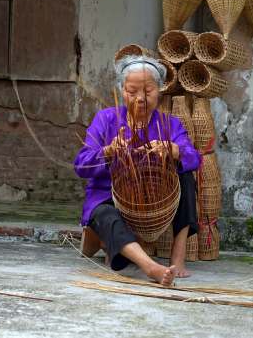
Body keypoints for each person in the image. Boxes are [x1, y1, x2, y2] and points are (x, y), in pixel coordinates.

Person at [73, 55, 201, 286]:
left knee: (186, 175)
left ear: (160, 90)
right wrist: (109, 151)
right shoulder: (106, 119)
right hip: (109, 197)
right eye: (132, 91)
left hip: (156, 201)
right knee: (104, 214)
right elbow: (81, 164)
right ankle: (150, 267)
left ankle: (178, 256)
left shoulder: (170, 124)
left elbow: (194, 158)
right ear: (122, 90)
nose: (140, 98)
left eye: (148, 90)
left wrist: (174, 151)